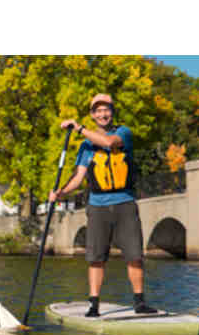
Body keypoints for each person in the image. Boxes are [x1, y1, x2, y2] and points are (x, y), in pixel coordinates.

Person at [49, 93, 157, 317]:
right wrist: (61, 193)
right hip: (97, 206)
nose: (102, 114)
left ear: (112, 112)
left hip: (124, 203)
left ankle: (139, 303)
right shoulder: (86, 147)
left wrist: (79, 128)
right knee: (96, 258)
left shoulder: (123, 133)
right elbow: (78, 178)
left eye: (106, 109)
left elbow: (108, 143)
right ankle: (94, 305)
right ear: (92, 115)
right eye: (98, 110)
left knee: (134, 255)